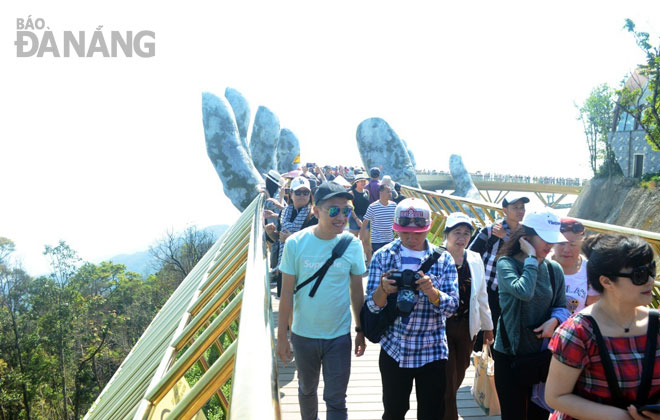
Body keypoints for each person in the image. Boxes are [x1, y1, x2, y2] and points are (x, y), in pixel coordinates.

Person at [277, 181, 367, 420]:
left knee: (336, 399)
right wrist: (281, 337)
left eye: (346, 210)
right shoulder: (295, 243)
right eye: (333, 210)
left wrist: (360, 330)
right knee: (307, 390)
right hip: (303, 334)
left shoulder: (352, 245)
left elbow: (357, 292)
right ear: (316, 211)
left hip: (338, 337)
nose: (341, 217)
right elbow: (286, 293)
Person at [545, 234, 659, 420]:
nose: (650, 281)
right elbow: (556, 396)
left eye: (651, 270)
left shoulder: (657, 324)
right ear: (606, 282)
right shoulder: (578, 332)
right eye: (639, 275)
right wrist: (624, 417)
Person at [365, 198, 459, 420]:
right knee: (394, 411)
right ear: (396, 228)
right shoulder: (383, 256)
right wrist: (383, 290)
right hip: (394, 347)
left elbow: (452, 306)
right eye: (404, 232)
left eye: (418, 233)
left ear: (427, 229)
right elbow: (372, 306)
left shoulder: (443, 259)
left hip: (432, 350)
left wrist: (432, 292)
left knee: (432, 412)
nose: (411, 237)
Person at [492, 207, 568, 420]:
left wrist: (554, 320)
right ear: (526, 237)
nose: (550, 245)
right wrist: (532, 259)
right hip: (510, 355)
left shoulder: (554, 269)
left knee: (539, 416)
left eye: (553, 239)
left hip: (542, 356)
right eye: (545, 238)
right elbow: (523, 291)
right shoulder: (506, 263)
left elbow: (562, 307)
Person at [442, 212, 494, 420]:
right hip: (441, 326)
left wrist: (488, 328)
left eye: (466, 233)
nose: (461, 237)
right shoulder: (436, 256)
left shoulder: (474, 258)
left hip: (467, 326)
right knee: (448, 378)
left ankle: (441, 409)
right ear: (447, 234)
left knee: (460, 372)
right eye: (457, 232)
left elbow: (481, 295)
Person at [469, 194, 529, 348]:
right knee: (484, 324)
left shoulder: (525, 233)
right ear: (504, 210)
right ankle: (479, 360)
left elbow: (526, 254)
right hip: (488, 285)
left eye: (522, 207)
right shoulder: (491, 230)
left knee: (503, 326)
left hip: (510, 286)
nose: (520, 211)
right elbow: (471, 253)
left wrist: (506, 237)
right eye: (515, 207)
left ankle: (497, 361)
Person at [550, 218, 600, 314]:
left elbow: (593, 307)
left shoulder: (590, 269)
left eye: (573, 245)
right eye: (561, 244)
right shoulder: (542, 265)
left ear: (581, 245)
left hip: (573, 327)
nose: (566, 250)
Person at [276, 177, 317, 283]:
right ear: (291, 194)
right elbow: (278, 239)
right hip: (285, 265)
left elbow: (316, 244)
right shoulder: (284, 214)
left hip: (305, 268)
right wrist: (271, 233)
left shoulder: (314, 216)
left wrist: (291, 239)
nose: (302, 195)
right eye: (298, 192)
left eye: (306, 192)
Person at [359, 183, 397, 264]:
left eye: (390, 192)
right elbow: (365, 222)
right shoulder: (373, 207)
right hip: (377, 241)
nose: (390, 194)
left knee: (389, 262)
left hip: (389, 239)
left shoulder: (394, 206)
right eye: (388, 192)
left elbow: (396, 221)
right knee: (379, 262)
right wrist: (360, 238)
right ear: (381, 193)